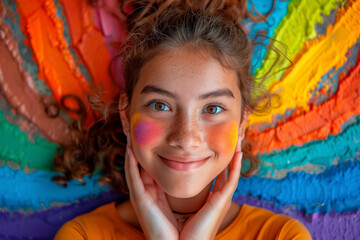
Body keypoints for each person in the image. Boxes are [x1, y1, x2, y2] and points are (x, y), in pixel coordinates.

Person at [54, 0, 312, 239]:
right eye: (160, 105)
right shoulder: (82, 235)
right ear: (125, 114)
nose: (186, 139)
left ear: (242, 123)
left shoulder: (282, 236)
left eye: (212, 109)